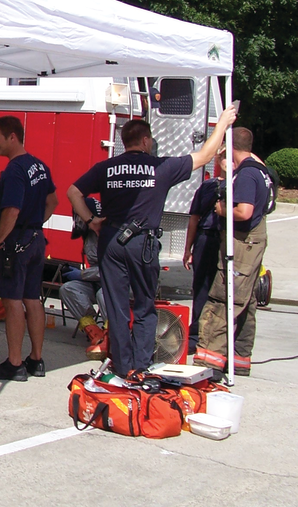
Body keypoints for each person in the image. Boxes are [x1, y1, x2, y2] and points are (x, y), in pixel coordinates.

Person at [67, 106, 236, 377]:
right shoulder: (160, 166)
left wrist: (91, 221)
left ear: (124, 142)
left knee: (117, 307)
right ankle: (141, 368)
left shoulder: (106, 168)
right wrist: (223, 124)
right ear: (146, 141)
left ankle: (122, 367)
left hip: (110, 240)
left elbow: (73, 192)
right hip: (142, 243)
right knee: (145, 305)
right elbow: (205, 155)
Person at [0, 116, 59, 381]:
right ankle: (36, 359)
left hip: (15, 243)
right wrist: (35, 224)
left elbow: (11, 211)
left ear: (12, 136)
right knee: (32, 299)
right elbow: (52, 201)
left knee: (12, 301)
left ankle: (15, 363)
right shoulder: (39, 166)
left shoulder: (14, 171)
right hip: (36, 240)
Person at [194, 128, 270, 378]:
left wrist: (222, 209)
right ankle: (239, 359)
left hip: (242, 245)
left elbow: (245, 211)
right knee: (246, 302)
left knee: (223, 298)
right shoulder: (260, 170)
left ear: (229, 146)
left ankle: (210, 362)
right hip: (253, 244)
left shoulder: (247, 175)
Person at [59, 196, 109, 359]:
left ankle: (111, 336)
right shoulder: (88, 234)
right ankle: (94, 332)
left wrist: (81, 274)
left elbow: (110, 270)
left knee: (104, 294)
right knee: (68, 289)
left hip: (117, 285)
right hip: (97, 283)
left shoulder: (107, 235)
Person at [183, 171, 223, 354]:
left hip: (226, 241)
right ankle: (195, 336)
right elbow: (194, 218)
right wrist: (188, 249)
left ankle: (219, 339)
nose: (225, 162)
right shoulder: (207, 187)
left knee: (224, 293)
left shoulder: (240, 183)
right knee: (201, 290)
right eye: (222, 157)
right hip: (205, 239)